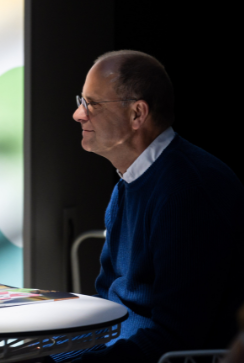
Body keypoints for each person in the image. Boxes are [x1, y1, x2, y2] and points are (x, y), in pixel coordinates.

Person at [52, 50, 244, 363]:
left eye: (91, 103)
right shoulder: (129, 184)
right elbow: (108, 310)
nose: (78, 114)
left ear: (137, 114)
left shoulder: (188, 190)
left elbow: (174, 340)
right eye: (81, 101)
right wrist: (47, 355)